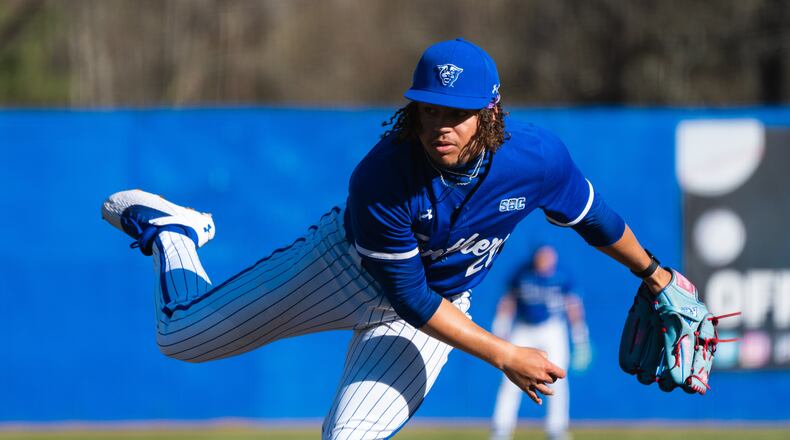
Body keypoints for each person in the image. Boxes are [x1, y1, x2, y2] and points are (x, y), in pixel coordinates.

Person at [102, 38, 677, 439]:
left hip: (440, 308)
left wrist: (656, 275)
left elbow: (595, 219)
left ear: (491, 111)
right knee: (179, 336)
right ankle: (173, 231)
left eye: (459, 111)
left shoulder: (537, 158)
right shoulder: (382, 177)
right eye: (429, 108)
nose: (441, 124)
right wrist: (504, 354)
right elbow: (410, 297)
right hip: (344, 269)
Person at [490, 245, 590, 440]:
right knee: (510, 379)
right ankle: (501, 429)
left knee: (559, 379)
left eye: (549, 257)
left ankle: (556, 428)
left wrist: (580, 336)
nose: (545, 262)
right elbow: (508, 300)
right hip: (524, 328)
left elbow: (573, 305)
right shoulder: (522, 272)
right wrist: (501, 326)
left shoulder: (562, 275)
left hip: (553, 329)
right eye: (542, 257)